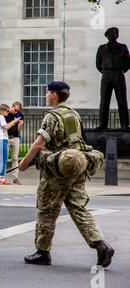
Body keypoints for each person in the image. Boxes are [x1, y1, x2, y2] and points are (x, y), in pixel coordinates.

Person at [18, 81, 114, 268]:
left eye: (47, 93)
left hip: (57, 172)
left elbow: (39, 143)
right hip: (77, 168)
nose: (46, 96)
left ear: (54, 95)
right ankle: (101, 245)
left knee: (47, 209)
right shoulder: (74, 113)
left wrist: (24, 162)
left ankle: (43, 252)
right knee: (78, 208)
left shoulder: (52, 116)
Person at [96, 27, 130, 130]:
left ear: (117, 35)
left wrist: (119, 71)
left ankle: (125, 125)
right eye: (111, 34)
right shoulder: (101, 48)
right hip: (106, 74)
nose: (113, 35)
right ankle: (102, 124)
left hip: (119, 74)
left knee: (122, 101)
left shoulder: (123, 47)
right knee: (104, 101)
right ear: (107, 36)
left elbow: (128, 63)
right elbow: (98, 64)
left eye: (115, 33)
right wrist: (106, 71)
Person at [0, 104, 22, 185]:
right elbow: (6, 127)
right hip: (2, 139)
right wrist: (14, 121)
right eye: (7, 111)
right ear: (3, 111)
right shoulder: (1, 117)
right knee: (3, 159)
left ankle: (0, 177)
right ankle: (1, 177)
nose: (8, 112)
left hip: (1, 139)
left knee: (3, 159)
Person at [5, 101, 24, 184]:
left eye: (17, 111)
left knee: (15, 158)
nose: (15, 112)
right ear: (11, 107)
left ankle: (15, 177)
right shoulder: (6, 114)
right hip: (6, 137)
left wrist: (20, 125)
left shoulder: (19, 115)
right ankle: (2, 176)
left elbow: (18, 130)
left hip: (15, 138)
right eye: (15, 109)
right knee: (4, 157)